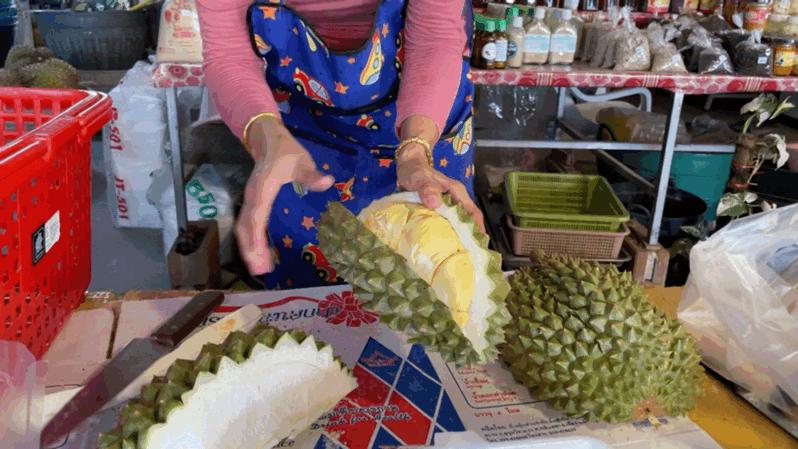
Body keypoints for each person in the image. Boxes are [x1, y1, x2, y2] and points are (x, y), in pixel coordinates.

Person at [197, 0, 483, 290]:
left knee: (435, 287)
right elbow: (228, 52)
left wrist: (415, 149)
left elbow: (434, 35)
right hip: (302, 130)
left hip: (423, 113)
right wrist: (267, 137)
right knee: (310, 294)